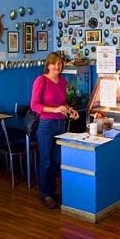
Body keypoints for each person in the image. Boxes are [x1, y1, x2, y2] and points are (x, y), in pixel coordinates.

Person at [30, 52, 79, 209]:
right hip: (45, 125)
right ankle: (45, 193)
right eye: (54, 63)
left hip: (60, 124)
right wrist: (54, 109)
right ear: (48, 65)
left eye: (59, 63)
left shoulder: (63, 81)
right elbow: (34, 105)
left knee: (57, 160)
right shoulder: (41, 80)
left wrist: (70, 110)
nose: (57, 66)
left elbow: (62, 102)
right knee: (46, 160)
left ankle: (53, 189)